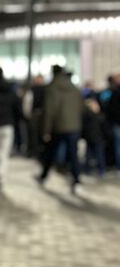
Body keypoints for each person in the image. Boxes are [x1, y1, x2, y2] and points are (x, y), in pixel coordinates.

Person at [36, 64, 84, 193]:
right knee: (73, 154)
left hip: (58, 126)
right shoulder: (73, 87)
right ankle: (77, 180)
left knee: (50, 153)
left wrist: (46, 130)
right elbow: (80, 106)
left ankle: (44, 176)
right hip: (74, 126)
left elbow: (49, 111)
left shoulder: (52, 88)